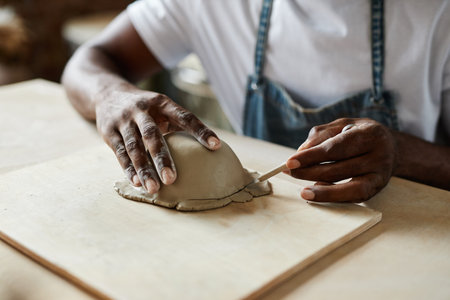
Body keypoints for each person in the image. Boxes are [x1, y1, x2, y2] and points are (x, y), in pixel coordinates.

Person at [62, 0, 450, 203]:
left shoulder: (437, 16)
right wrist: (110, 94)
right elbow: (88, 62)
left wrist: (401, 153)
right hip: (264, 223)